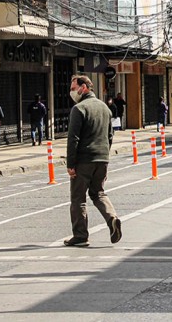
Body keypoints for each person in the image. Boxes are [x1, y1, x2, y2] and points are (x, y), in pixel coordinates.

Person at [64, 75, 121, 247]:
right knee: (98, 193)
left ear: (84, 88)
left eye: (74, 88)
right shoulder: (105, 108)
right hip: (102, 159)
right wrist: (105, 155)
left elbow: (72, 138)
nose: (72, 92)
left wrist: (71, 164)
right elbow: (110, 136)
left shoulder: (79, 109)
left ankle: (80, 235)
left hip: (84, 160)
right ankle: (112, 218)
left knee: (78, 198)